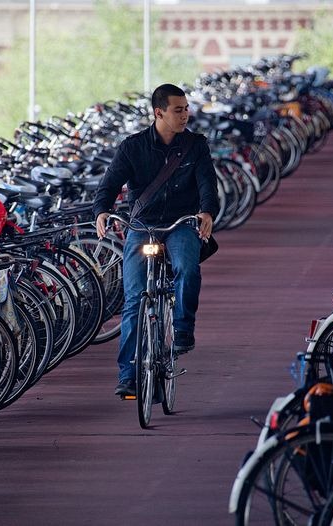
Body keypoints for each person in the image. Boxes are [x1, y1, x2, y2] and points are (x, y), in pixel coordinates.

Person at [92, 83, 220, 397]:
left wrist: (206, 212)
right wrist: (102, 211)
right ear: (158, 112)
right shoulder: (132, 147)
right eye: (178, 110)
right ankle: (128, 376)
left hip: (181, 224)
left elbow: (208, 185)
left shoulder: (195, 146)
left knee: (187, 270)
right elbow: (108, 186)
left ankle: (182, 330)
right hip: (142, 225)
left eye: (186, 109)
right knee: (134, 299)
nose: (185, 115)